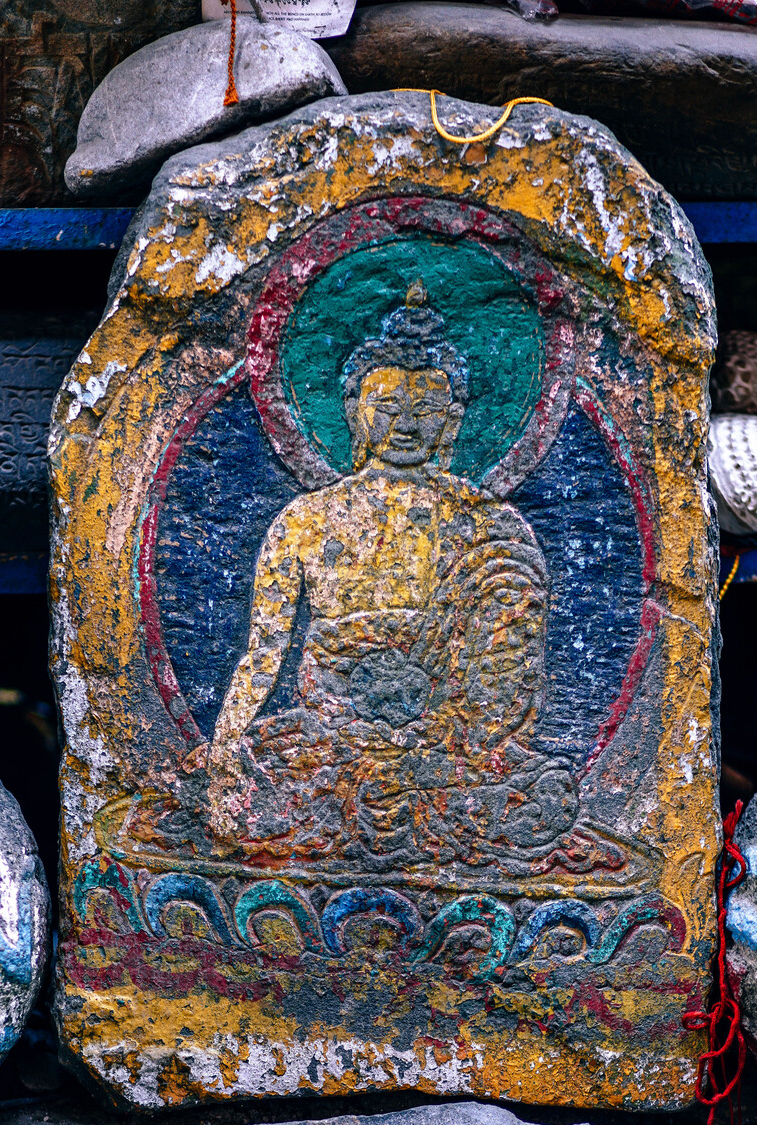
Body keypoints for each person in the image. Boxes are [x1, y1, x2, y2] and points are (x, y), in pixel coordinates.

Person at [189, 282, 578, 869]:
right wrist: (224, 745)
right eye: (388, 406)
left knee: (540, 797)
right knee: (247, 792)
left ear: (453, 420)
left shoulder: (489, 524)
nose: (406, 424)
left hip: (446, 749)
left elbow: (507, 679)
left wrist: (454, 731)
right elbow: (264, 653)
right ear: (353, 411)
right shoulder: (305, 520)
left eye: (425, 410)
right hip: (329, 738)